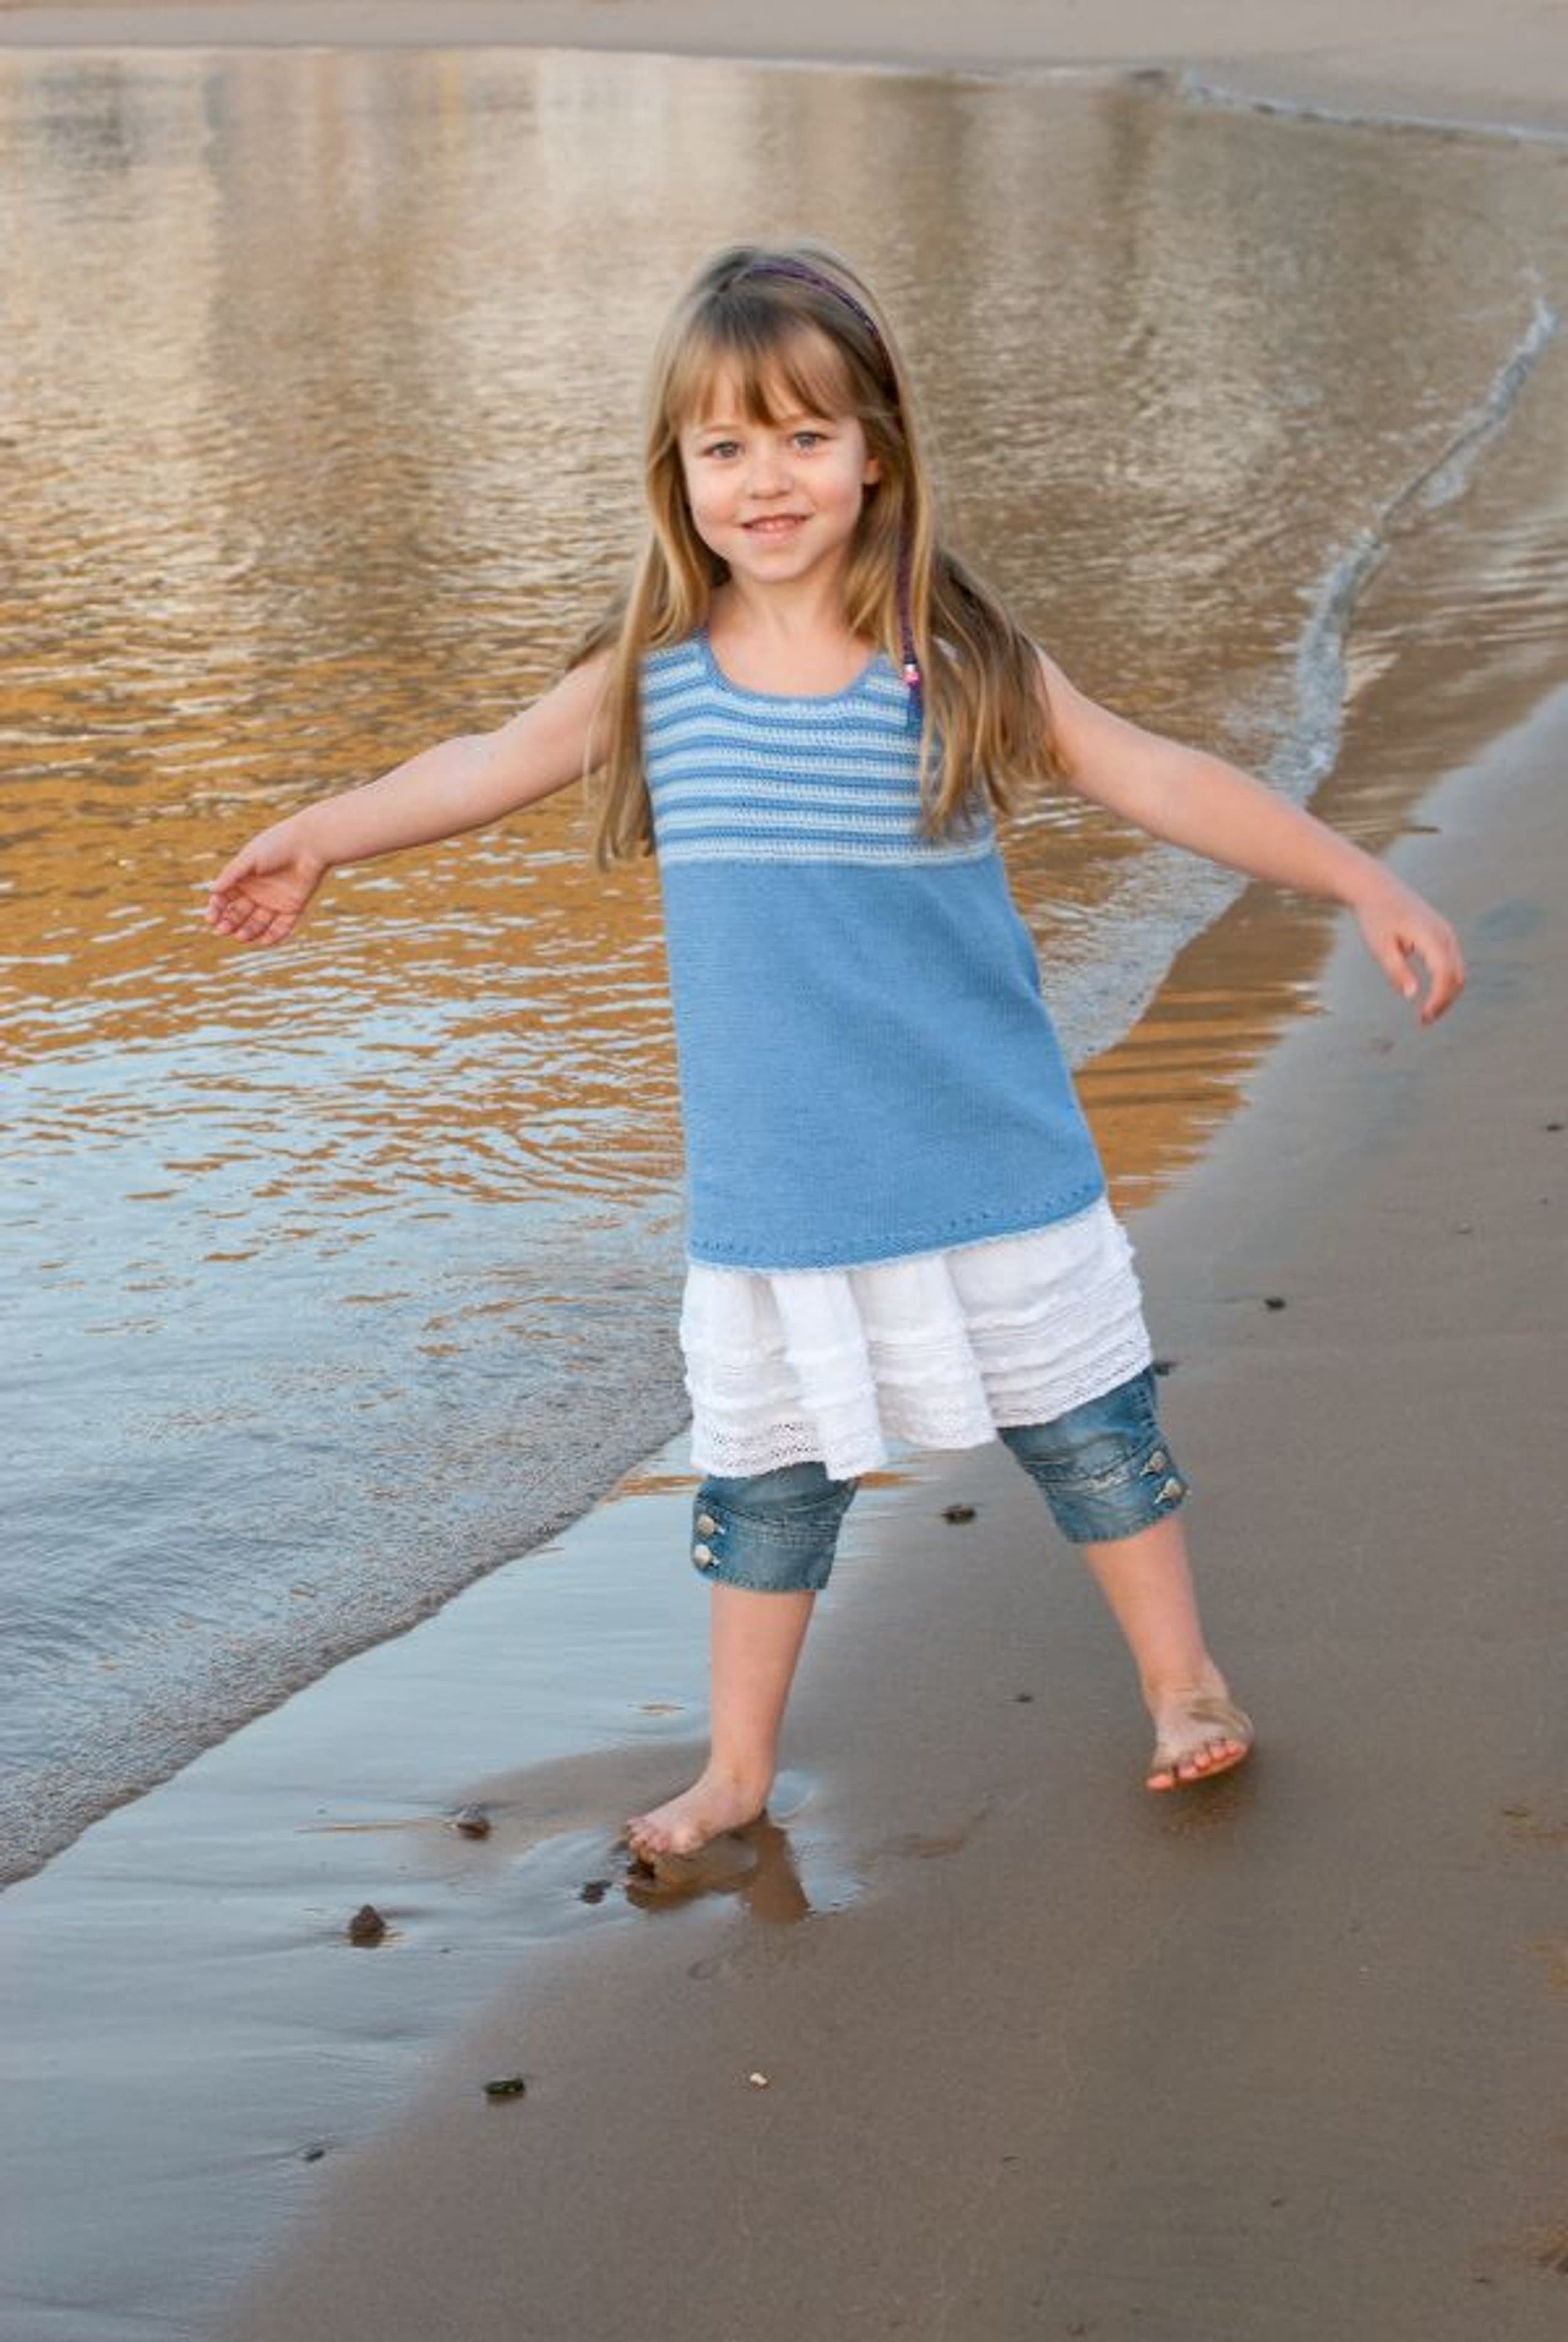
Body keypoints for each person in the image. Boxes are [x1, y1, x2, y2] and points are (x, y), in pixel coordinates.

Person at [205, 240, 1464, 1867]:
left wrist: (1358, 876)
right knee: (767, 1487)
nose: (767, 479)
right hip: (784, 1183)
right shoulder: (654, 679)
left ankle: (1184, 1681)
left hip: (985, 1147)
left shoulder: (954, 661)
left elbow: (1155, 774)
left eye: (806, 436)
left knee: (1092, 1433)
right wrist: (323, 833)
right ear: (678, 472)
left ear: (878, 450)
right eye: (726, 446)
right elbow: (479, 763)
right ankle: (737, 1768)